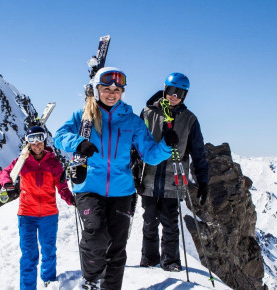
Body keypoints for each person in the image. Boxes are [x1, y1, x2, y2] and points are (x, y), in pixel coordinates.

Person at [54, 67, 175, 290]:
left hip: (122, 190)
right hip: (89, 186)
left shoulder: (132, 121)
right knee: (96, 232)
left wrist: (167, 145)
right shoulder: (83, 116)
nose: (112, 93)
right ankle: (90, 279)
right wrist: (78, 143)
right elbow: (59, 137)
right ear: (97, 90)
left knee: (117, 247)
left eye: (117, 89)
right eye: (106, 88)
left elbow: (150, 154)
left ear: (122, 92)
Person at [133, 72, 210, 272]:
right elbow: (136, 145)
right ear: (165, 89)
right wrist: (135, 174)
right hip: (148, 178)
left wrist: (203, 181)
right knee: (149, 221)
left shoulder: (189, 120)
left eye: (180, 92)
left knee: (170, 223)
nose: (175, 96)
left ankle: (171, 262)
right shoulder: (148, 113)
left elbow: (198, 153)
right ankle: (149, 260)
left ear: (185, 95)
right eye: (172, 91)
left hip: (173, 179)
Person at [0, 126, 75, 289]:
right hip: (27, 215)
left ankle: (49, 281)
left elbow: (62, 187)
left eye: (40, 139)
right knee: (29, 256)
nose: (37, 144)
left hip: (49, 215)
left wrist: (71, 200)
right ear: (28, 143)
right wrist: (7, 184)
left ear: (45, 140)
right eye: (32, 140)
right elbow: (4, 173)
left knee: (48, 252)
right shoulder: (22, 162)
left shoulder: (54, 164)